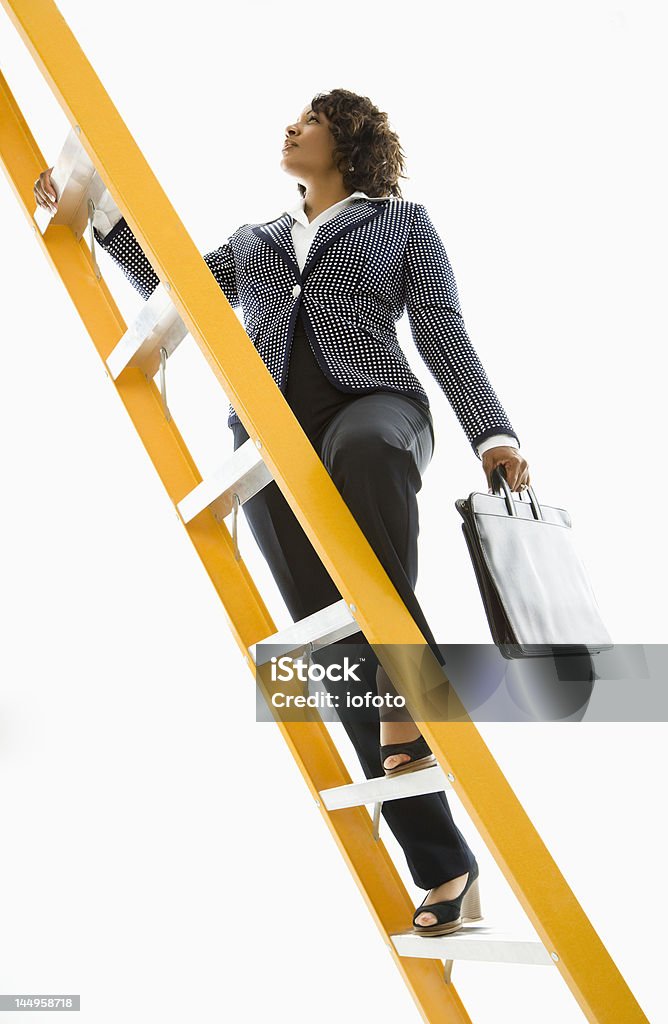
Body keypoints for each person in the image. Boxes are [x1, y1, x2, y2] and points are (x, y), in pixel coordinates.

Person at [34, 87, 530, 935]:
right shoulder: (257, 240)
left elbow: (443, 329)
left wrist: (492, 433)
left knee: (363, 453)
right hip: (270, 439)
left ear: (349, 140)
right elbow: (176, 287)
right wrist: (102, 221)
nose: (290, 127)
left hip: (378, 407)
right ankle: (445, 868)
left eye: (308, 120)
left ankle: (413, 696)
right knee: (333, 647)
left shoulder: (403, 225)